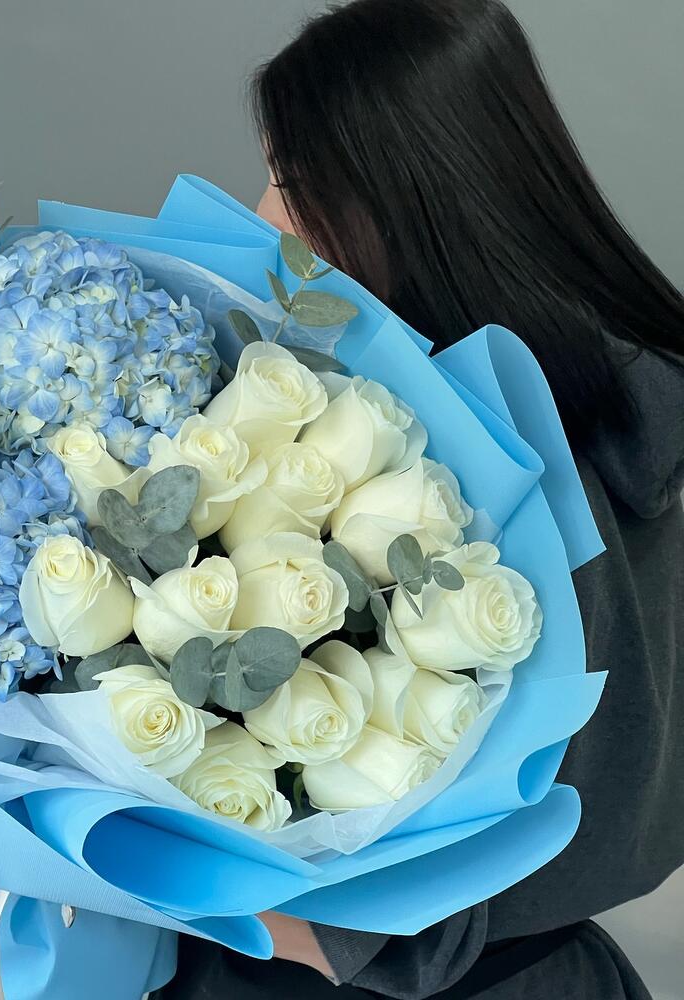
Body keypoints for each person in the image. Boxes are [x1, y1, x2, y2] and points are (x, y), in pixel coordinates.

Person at [153, 1, 684, 997]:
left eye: (289, 182)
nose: (262, 214)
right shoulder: (643, 422)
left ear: (403, 197)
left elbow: (404, 925)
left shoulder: (465, 493)